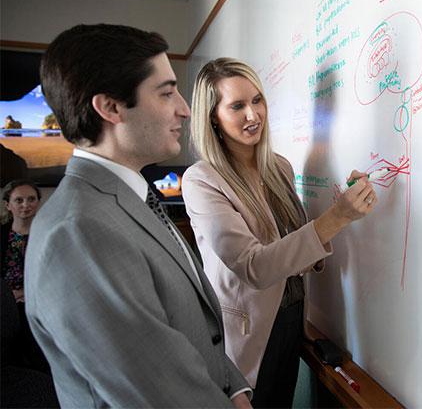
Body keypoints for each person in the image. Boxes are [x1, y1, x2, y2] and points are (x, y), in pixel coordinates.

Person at [24, 24, 252, 408]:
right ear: (110, 107)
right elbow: (159, 393)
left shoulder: (130, 195)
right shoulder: (78, 232)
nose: (184, 108)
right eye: (166, 93)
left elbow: (195, 328)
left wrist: (235, 387)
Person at [183, 58, 377, 408]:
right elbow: (254, 266)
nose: (253, 115)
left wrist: (340, 211)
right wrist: (339, 215)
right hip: (248, 336)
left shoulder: (280, 167)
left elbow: (294, 242)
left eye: (257, 100)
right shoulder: (202, 180)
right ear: (212, 116)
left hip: (291, 323)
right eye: (237, 106)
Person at [2, 180, 41, 304]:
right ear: (7, 205)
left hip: (38, 301)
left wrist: (24, 293)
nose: (26, 205)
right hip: (4, 301)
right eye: (19, 200)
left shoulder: (48, 234)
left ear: (38, 202)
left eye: (31, 199)